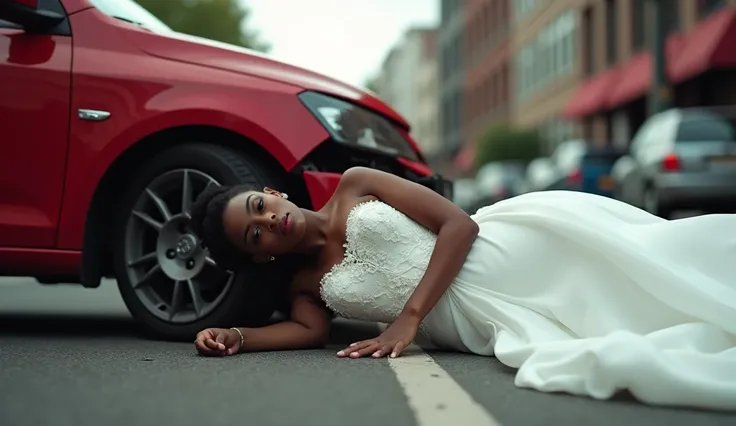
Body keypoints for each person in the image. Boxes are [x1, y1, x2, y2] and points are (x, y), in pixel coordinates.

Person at [190, 166, 736, 411]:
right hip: (475, 323)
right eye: (253, 233)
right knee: (620, 331)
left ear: (272, 193)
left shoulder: (356, 185)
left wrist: (408, 318)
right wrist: (237, 335)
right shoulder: (306, 287)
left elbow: (460, 225)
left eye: (260, 207)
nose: (268, 222)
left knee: (643, 286)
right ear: (260, 254)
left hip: (504, 256)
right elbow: (307, 333)